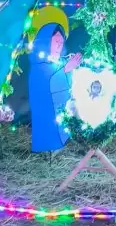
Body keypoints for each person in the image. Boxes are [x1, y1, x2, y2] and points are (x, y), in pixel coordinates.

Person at [29, 21, 82, 152]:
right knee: (49, 130)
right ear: (47, 42)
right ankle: (48, 147)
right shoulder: (38, 64)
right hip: (46, 110)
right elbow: (45, 84)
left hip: (60, 110)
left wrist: (69, 68)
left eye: (61, 42)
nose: (59, 45)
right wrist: (65, 70)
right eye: (56, 42)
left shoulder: (59, 62)